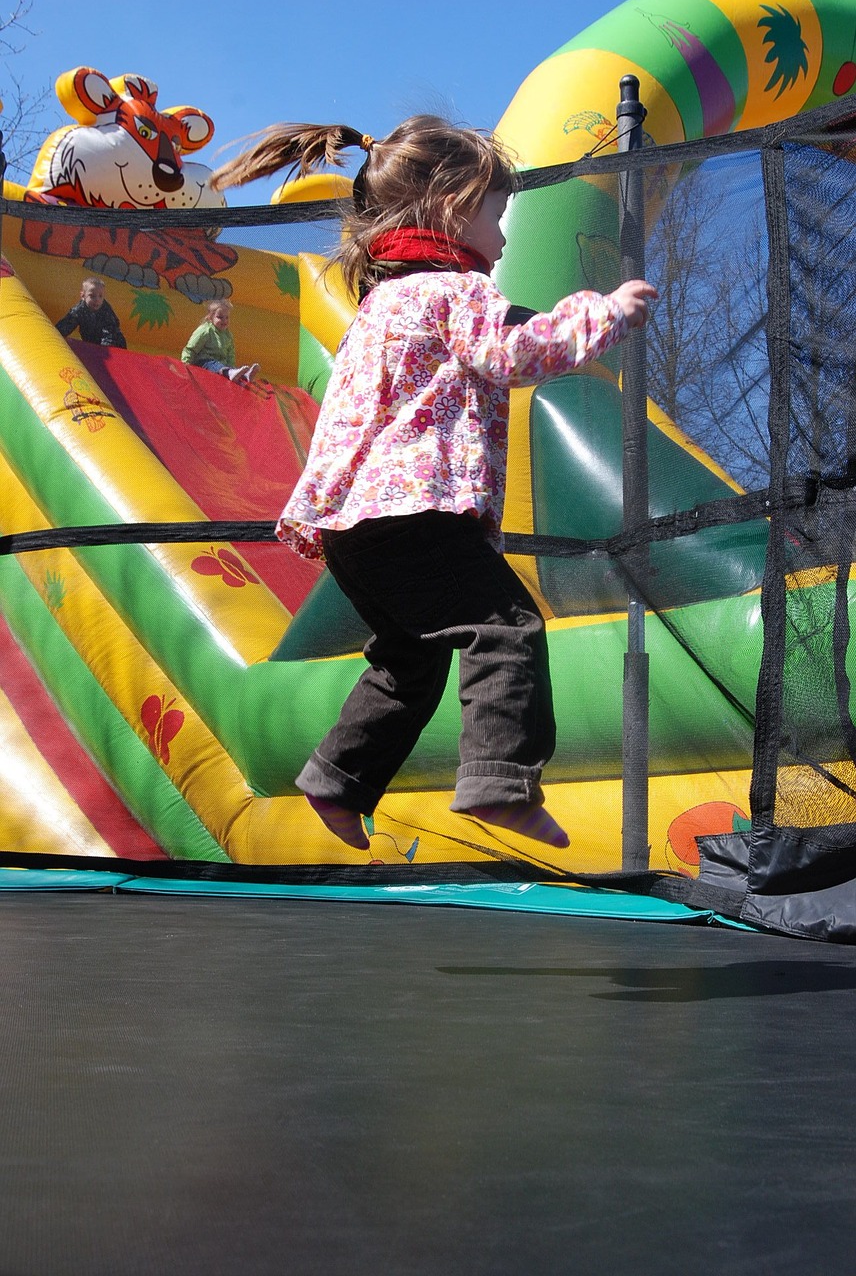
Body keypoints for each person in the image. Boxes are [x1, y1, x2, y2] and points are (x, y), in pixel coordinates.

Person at [212, 115, 656, 852]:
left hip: (350, 525)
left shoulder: (379, 307)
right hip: (414, 511)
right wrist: (600, 313)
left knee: (409, 657)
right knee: (506, 625)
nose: (506, 236)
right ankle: (498, 784)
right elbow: (512, 354)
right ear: (453, 208)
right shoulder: (458, 290)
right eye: (496, 213)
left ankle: (338, 780)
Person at [181, 299, 259, 383]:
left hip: (221, 365)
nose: (224, 321)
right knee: (213, 364)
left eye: (227, 317)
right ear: (211, 317)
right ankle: (230, 372)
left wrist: (231, 366)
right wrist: (185, 364)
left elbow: (230, 353)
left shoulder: (228, 335)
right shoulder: (205, 330)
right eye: (220, 317)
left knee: (226, 367)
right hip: (203, 362)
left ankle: (244, 376)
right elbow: (191, 348)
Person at [56, 277, 127, 348]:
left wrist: (104, 348)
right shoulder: (79, 310)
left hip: (116, 344)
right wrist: (56, 335)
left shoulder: (106, 310)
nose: (97, 300)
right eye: (92, 296)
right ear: (83, 296)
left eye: (100, 296)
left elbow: (110, 331)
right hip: (91, 342)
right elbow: (67, 324)